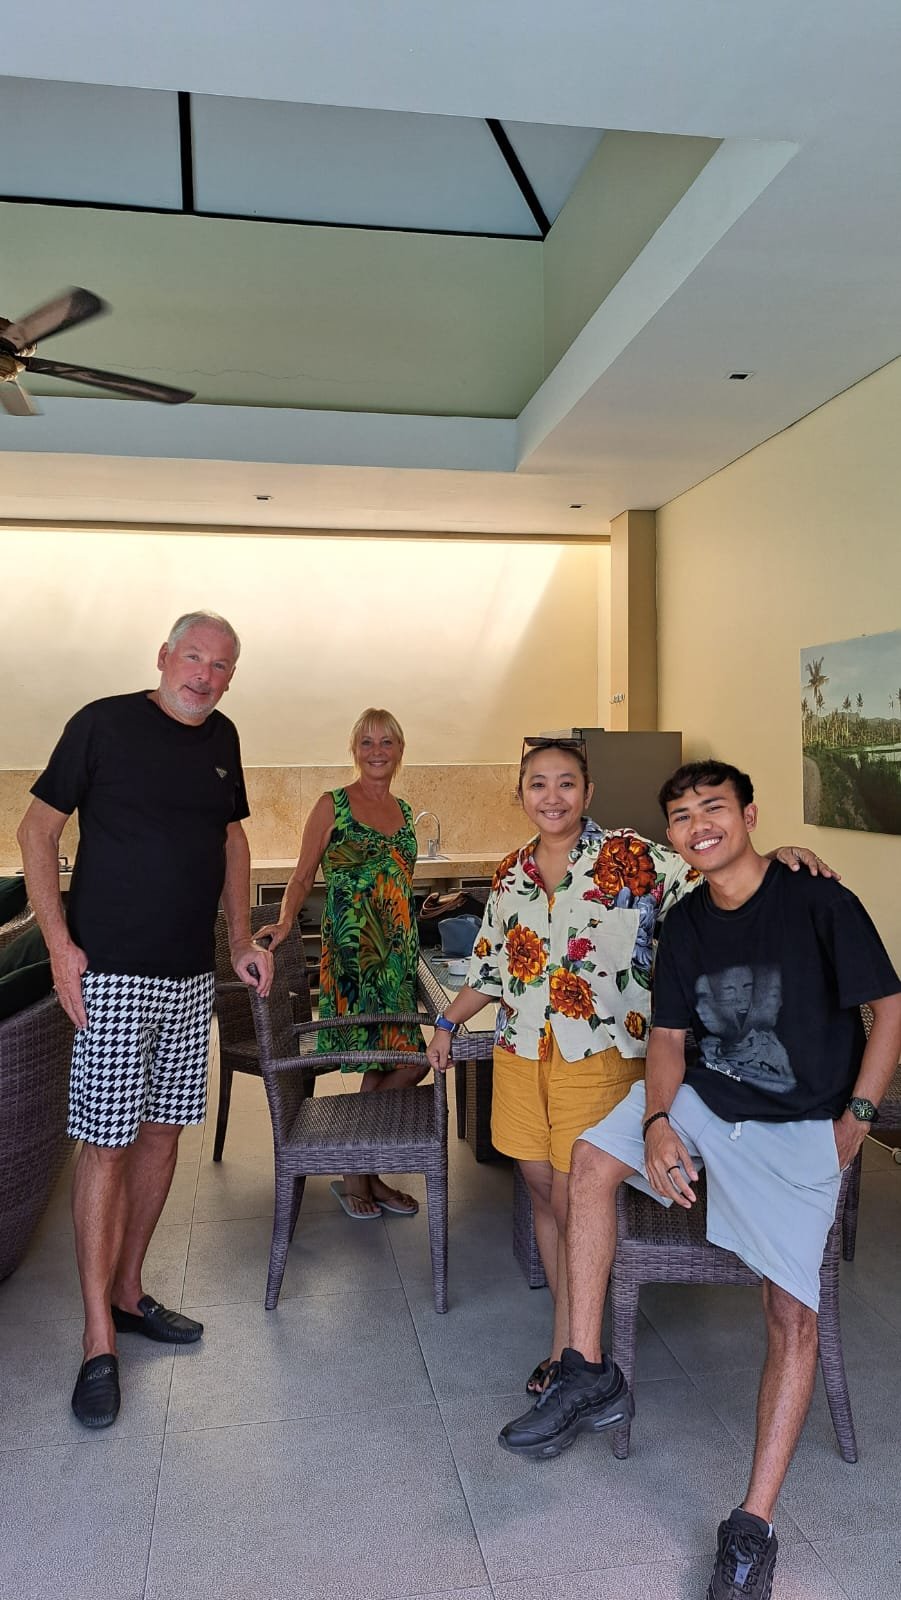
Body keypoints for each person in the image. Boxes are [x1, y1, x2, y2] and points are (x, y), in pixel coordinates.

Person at [497, 760, 901, 1600]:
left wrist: (856, 1121)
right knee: (589, 1163)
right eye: (681, 816)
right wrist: (654, 1121)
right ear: (671, 835)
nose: (697, 825)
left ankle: (751, 1527)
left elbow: (888, 1009)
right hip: (703, 1101)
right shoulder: (682, 920)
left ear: (748, 815)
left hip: (799, 1124)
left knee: (790, 1316)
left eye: (712, 808)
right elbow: (669, 1039)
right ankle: (586, 1368)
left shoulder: (817, 901)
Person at [426, 738, 836, 1397]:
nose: (552, 796)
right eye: (537, 784)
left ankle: (570, 1357)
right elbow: (490, 969)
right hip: (521, 1053)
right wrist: (447, 1023)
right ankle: (570, 1339)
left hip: (602, 1055)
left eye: (566, 783)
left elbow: (721, 875)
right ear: (521, 795)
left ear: (587, 793)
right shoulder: (509, 873)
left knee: (574, 1197)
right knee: (541, 1195)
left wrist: (780, 858)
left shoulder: (633, 858)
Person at [17, 611, 273, 1429]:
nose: (205, 675)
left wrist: (240, 939)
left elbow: (231, 840)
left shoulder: (222, 737)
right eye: (193, 657)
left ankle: (129, 1293)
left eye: (221, 665)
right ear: (164, 657)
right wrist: (60, 947)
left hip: (188, 976)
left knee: (162, 1136)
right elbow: (37, 829)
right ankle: (98, 1338)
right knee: (107, 1144)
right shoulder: (102, 724)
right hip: (113, 975)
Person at [258, 708, 426, 1219]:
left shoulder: (404, 810)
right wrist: (285, 921)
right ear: (354, 750)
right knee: (397, 1060)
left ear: (400, 750)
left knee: (397, 1062)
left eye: (387, 742)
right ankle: (359, 1172)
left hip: (397, 958)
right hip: (354, 959)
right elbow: (303, 875)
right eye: (367, 742)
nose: (377, 751)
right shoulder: (332, 805)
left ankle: (362, 1171)